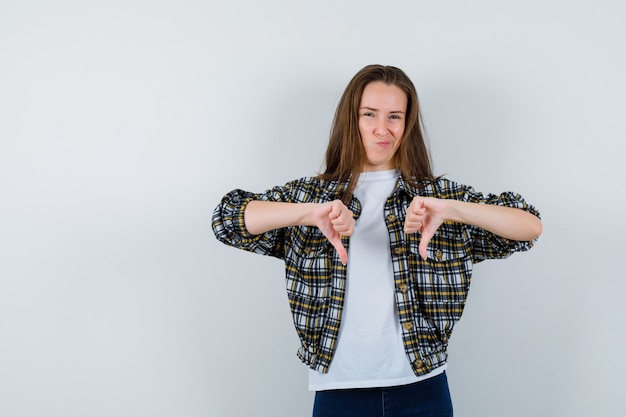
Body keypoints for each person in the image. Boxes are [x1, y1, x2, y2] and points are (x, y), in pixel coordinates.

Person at [212, 64, 542, 417]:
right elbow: (227, 219)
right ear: (349, 119)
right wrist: (308, 214)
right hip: (338, 390)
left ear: (407, 124)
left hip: (422, 387)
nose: (381, 129)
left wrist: (453, 210)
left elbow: (529, 227)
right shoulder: (312, 195)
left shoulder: (435, 198)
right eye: (369, 114)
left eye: (394, 117)